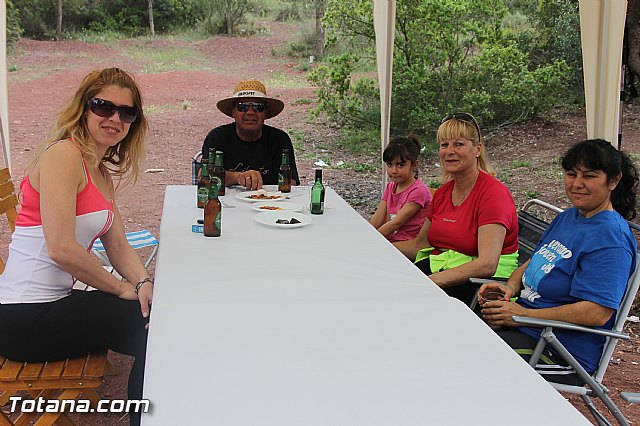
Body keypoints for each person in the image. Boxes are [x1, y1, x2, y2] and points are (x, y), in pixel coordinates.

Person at [0, 68, 151, 425]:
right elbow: (61, 249)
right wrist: (120, 289)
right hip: (24, 318)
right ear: (84, 108)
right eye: (103, 107)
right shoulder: (63, 156)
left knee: (154, 317)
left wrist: (144, 284)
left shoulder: (100, 171)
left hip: (56, 305)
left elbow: (118, 244)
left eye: (126, 112)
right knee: (155, 333)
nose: (115, 118)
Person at [479, 139, 638, 383]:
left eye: (589, 176)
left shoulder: (610, 238)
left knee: (472, 362)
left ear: (613, 181)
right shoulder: (568, 217)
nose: (577, 184)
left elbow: (596, 312)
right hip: (524, 327)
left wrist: (522, 314)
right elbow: (535, 262)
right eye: (571, 174)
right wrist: (508, 288)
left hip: (560, 352)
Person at [395, 113, 519, 304]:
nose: (449, 151)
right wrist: (376, 248)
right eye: (444, 145)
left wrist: (429, 282)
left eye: (458, 144)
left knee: (403, 299)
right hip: (443, 269)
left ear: (477, 149)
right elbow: (420, 245)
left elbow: (487, 264)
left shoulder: (493, 194)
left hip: (482, 285)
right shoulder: (444, 193)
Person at [202, 79, 299, 190]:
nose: (250, 112)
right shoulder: (217, 137)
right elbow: (203, 176)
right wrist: (238, 177)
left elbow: (291, 182)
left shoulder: (280, 140)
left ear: (265, 112)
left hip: (270, 203)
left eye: (258, 107)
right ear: (233, 111)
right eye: (242, 106)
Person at [369, 135, 432, 244]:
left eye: (400, 165)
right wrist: (367, 232)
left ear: (414, 165)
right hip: (391, 240)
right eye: (389, 165)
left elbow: (396, 223)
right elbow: (378, 217)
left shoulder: (419, 191)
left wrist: (372, 239)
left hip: (409, 244)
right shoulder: (391, 187)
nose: (393, 170)